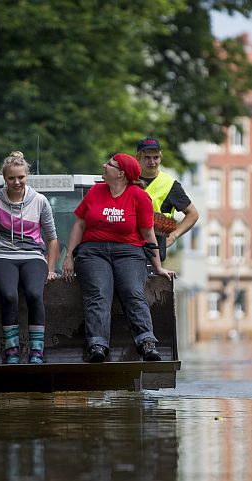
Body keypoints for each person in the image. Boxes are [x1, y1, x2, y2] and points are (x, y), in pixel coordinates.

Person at [61, 153, 175, 363]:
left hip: (129, 251)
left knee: (132, 291)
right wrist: (69, 257)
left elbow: (148, 234)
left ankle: (146, 343)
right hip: (93, 251)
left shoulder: (139, 196)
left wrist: (158, 267)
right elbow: (79, 224)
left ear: (121, 174)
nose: (105, 165)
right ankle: (97, 345)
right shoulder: (96, 191)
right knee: (98, 293)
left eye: (110, 164)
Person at [0, 151, 60, 364]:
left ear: (27, 176)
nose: (16, 182)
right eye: (11, 178)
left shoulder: (40, 201)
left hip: (33, 256)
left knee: (35, 294)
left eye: (21, 177)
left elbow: (52, 238)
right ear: (4, 179)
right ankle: (12, 351)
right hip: (3, 256)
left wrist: (51, 268)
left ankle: (36, 351)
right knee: (9, 295)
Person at [135, 137, 199, 260]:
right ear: (138, 157)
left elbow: (193, 214)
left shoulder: (170, 184)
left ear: (160, 158)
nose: (152, 162)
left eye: (156, 157)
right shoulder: (129, 179)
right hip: (128, 245)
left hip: (154, 247)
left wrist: (174, 235)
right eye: (147, 157)